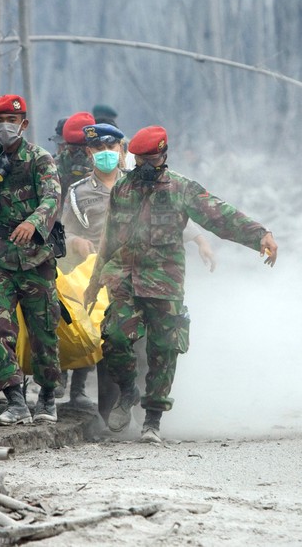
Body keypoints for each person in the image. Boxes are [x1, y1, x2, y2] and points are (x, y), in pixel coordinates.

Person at [84, 126, 278, 445]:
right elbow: (109, 237)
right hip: (125, 279)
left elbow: (221, 216)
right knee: (114, 338)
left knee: (164, 351)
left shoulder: (181, 188)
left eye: (151, 159)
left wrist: (259, 235)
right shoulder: (123, 189)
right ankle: (128, 390)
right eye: (140, 160)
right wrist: (94, 283)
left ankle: (153, 419)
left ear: (163, 156)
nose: (145, 166)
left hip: (164, 283)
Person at [58, 123, 216, 414]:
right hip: (101, 271)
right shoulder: (78, 193)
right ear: (89, 153)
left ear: (122, 150)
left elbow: (172, 216)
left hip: (146, 273)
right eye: (98, 149)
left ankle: (151, 412)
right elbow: (60, 232)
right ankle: (111, 412)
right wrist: (76, 242)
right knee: (110, 339)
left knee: (150, 345)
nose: (105, 153)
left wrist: (200, 240)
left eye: (111, 147)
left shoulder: (139, 183)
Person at [0, 94, 63, 426]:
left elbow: (52, 198)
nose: (5, 128)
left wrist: (33, 223)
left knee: (44, 331)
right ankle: (15, 399)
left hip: (36, 258)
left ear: (23, 125)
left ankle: (48, 396)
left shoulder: (40, 159)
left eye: (11, 122)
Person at [55, 111, 95, 198]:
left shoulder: (101, 162)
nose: (79, 153)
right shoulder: (55, 165)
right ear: (66, 146)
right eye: (74, 148)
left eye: (85, 148)